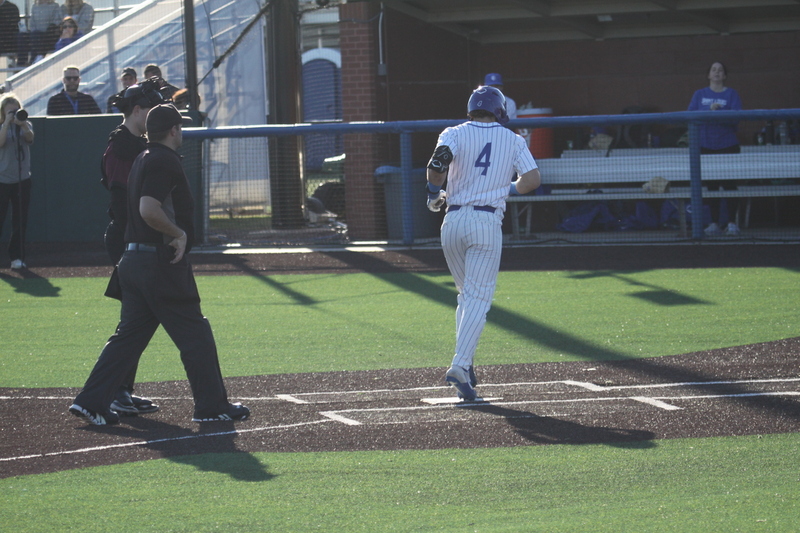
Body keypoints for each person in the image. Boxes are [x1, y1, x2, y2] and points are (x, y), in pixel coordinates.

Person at [69, 103, 250, 425]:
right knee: (196, 335)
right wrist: (178, 233)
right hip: (159, 263)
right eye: (181, 126)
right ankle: (211, 407)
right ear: (174, 130)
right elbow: (149, 208)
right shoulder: (164, 160)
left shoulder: (141, 157)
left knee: (128, 339)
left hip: (134, 262)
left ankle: (91, 401)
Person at [426, 86, 540, 401]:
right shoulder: (513, 139)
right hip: (486, 224)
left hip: (452, 221)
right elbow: (532, 180)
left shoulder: (454, 133)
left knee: (467, 296)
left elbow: (438, 166)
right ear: (500, 110)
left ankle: (467, 361)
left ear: (470, 109)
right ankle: (460, 365)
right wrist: (506, 188)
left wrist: (433, 194)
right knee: (478, 298)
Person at [100, 80, 167, 416]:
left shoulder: (140, 144)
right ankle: (112, 392)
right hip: (126, 239)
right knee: (133, 320)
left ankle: (122, 391)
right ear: (137, 110)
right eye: (150, 108)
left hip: (137, 237)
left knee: (137, 317)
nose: (154, 114)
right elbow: (123, 202)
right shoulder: (119, 148)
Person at [688, 61, 743, 237]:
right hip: (705, 146)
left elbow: (736, 118)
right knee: (711, 186)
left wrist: (720, 113)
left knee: (729, 185)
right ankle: (713, 223)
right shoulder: (699, 95)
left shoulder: (732, 94)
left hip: (727, 145)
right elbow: (690, 115)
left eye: (720, 70)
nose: (717, 72)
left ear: (725, 76)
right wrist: (708, 111)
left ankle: (732, 223)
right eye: (713, 70)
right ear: (708, 75)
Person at [0, 94, 34, 270]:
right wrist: (6, 123)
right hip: (2, 180)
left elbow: (30, 139)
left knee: (20, 220)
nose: (13, 114)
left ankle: (16, 257)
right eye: (9, 111)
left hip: (22, 179)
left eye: (15, 110)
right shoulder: (2, 126)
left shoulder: (25, 124)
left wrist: (21, 124)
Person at [17, 0, 62, 66]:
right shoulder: (34, 6)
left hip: (48, 35)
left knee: (36, 35)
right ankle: (21, 63)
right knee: (22, 36)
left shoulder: (55, 6)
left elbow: (56, 22)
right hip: (35, 34)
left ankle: (32, 60)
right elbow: (32, 23)